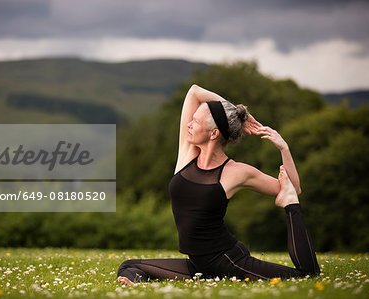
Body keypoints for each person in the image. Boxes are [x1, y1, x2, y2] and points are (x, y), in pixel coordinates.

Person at [117, 84, 320, 285]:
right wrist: (239, 114)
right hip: (198, 265)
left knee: (305, 276)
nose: (189, 124)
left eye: (196, 121)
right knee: (128, 266)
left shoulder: (236, 172)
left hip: (227, 261)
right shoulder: (187, 154)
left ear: (214, 134)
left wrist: (284, 149)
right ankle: (136, 283)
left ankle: (291, 208)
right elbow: (195, 91)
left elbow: (293, 187)